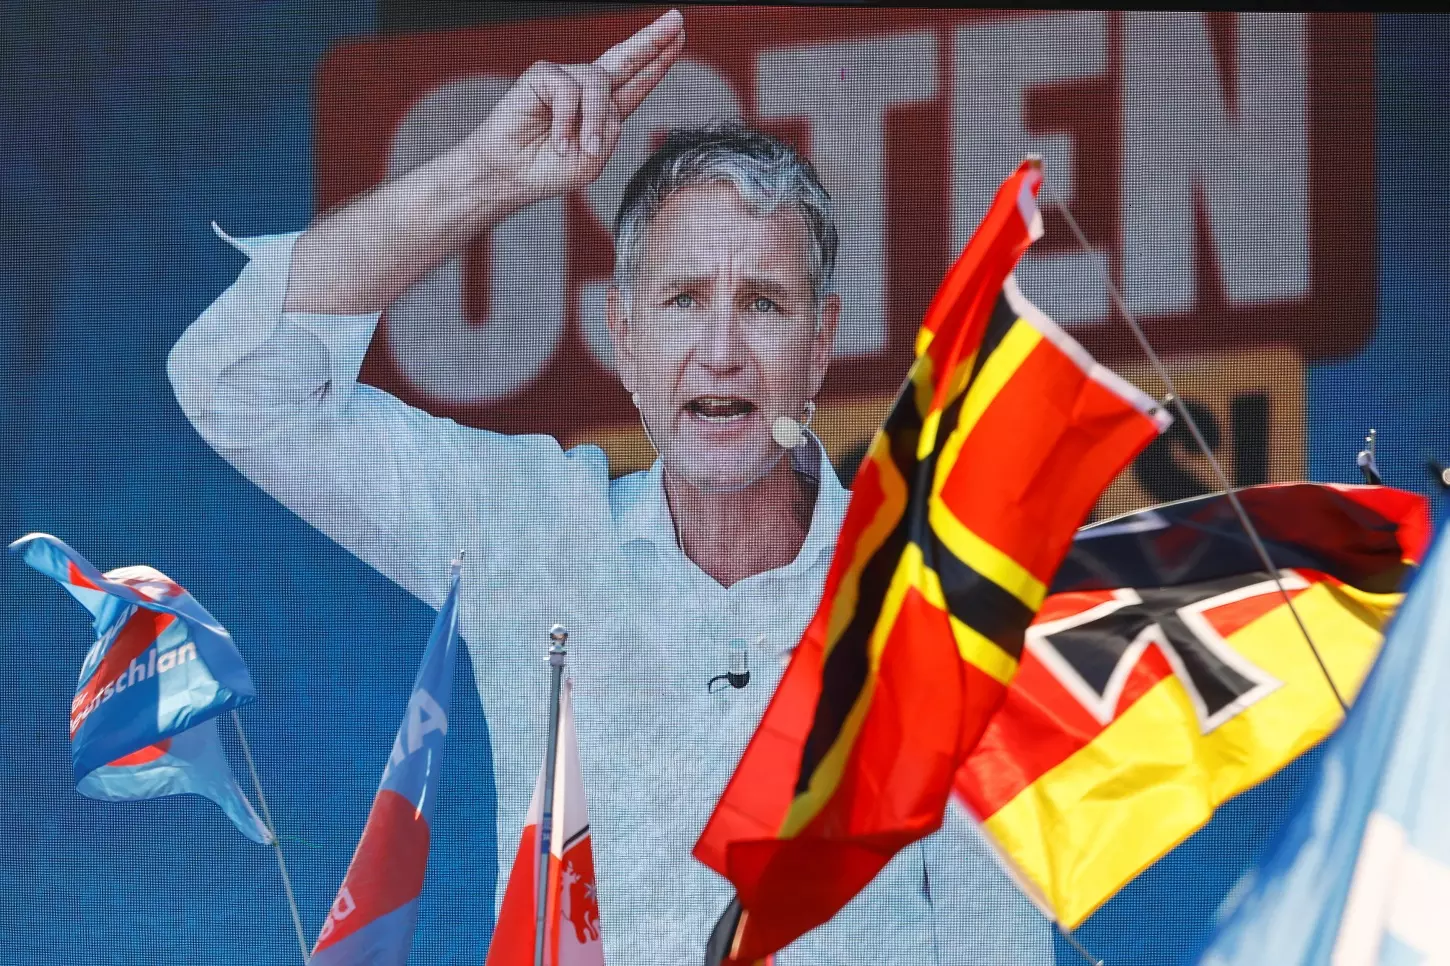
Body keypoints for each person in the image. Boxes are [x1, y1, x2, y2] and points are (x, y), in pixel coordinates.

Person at [168, 9, 1053, 964]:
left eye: (763, 303)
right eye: (682, 302)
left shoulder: (933, 596)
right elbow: (234, 388)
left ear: (821, 341)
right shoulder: (534, 530)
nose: (721, 353)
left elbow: (994, 942)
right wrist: (490, 177)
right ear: (622, 337)